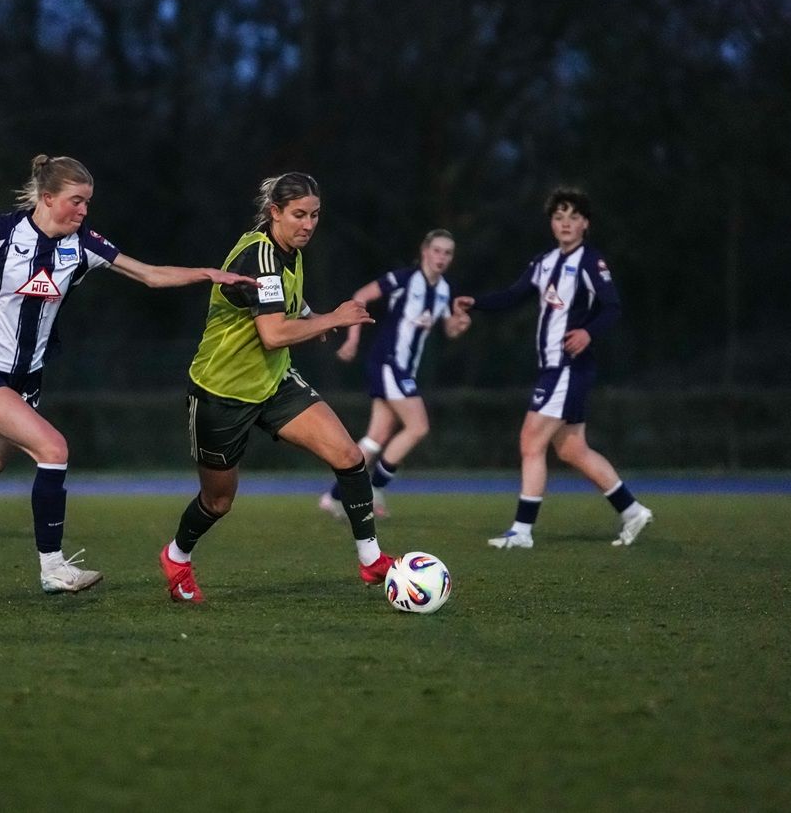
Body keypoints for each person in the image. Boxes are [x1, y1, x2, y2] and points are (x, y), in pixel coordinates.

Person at [0, 154, 258, 593]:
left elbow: (150, 275)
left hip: (25, 385)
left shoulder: (84, 245)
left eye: (88, 202)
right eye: (76, 201)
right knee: (53, 448)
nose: (83, 210)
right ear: (47, 198)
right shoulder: (5, 232)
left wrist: (208, 274)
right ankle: (53, 567)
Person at [156, 171, 394, 604]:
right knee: (218, 502)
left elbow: (287, 302)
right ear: (274, 213)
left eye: (315, 215)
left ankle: (372, 560)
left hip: (274, 382)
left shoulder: (289, 252)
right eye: (299, 215)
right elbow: (272, 334)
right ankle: (176, 556)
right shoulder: (259, 256)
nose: (308, 224)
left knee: (349, 455)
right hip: (221, 393)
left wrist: (309, 315)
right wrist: (332, 319)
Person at [453, 185, 653, 549]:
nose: (565, 223)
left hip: (568, 367)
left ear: (585, 224)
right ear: (551, 224)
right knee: (572, 450)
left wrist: (588, 333)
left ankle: (522, 531)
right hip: (555, 368)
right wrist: (476, 303)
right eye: (559, 217)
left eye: (573, 217)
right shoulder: (544, 263)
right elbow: (514, 295)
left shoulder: (591, 262)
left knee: (531, 440)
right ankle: (632, 511)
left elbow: (612, 308)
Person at [316, 229, 471, 520]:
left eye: (447, 253)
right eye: (436, 250)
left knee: (376, 438)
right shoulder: (404, 279)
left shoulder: (443, 291)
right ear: (425, 251)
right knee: (418, 426)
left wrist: (461, 322)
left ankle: (333, 496)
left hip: (403, 369)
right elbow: (361, 295)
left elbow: (450, 329)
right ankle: (374, 487)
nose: (441, 257)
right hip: (388, 363)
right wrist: (352, 339)